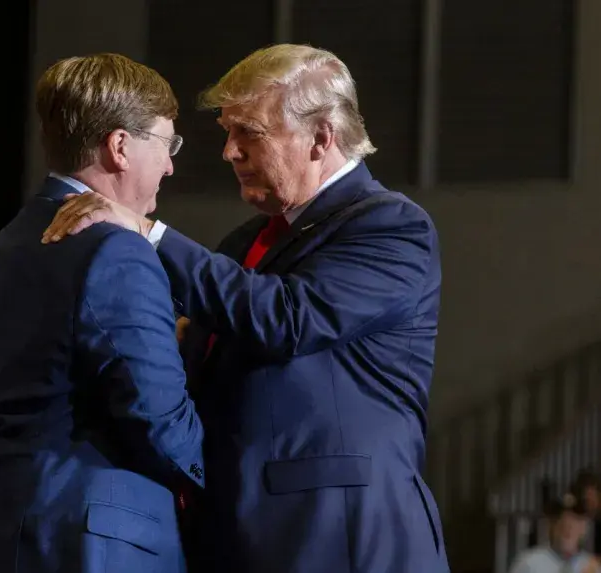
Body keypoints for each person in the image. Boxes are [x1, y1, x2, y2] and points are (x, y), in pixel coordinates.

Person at [44, 44, 448, 573]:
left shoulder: (391, 226)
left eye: (248, 132)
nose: (229, 151)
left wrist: (146, 232)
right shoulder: (242, 243)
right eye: (227, 132)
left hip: (339, 539)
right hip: (239, 537)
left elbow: (287, 318)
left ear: (321, 137)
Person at [0, 53, 204, 573]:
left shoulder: (6, 243)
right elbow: (160, 422)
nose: (170, 165)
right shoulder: (116, 249)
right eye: (166, 144)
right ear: (120, 147)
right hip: (89, 547)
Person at [509, 493, 600, 573]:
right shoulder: (529, 564)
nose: (567, 527)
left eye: (575, 521)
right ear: (550, 525)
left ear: (584, 528)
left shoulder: (592, 567)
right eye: (560, 519)